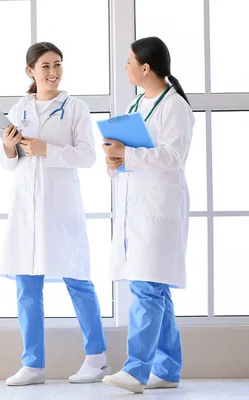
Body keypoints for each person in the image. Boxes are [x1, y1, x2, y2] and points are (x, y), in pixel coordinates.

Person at [0, 42, 109, 386]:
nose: (52, 72)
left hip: (61, 207)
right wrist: (7, 147)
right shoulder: (19, 109)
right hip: (26, 206)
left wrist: (49, 150)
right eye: (45, 66)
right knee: (26, 283)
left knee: (77, 279)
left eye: (57, 64)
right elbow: (9, 163)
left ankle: (97, 358)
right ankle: (33, 365)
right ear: (30, 71)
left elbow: (88, 155)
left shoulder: (75, 107)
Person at [101, 36, 194, 394]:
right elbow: (130, 156)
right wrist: (115, 160)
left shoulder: (176, 108)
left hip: (159, 208)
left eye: (128, 62)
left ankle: (136, 369)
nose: (124, 67)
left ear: (146, 67)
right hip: (135, 205)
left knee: (146, 287)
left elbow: (173, 157)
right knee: (155, 289)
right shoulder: (138, 101)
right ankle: (168, 370)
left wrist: (130, 156)